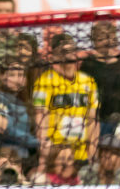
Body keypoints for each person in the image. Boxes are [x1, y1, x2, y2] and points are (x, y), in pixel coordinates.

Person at [33, 33, 99, 163]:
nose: (68, 56)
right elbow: (40, 117)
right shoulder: (43, 82)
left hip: (82, 153)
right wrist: (44, 149)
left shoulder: (88, 81)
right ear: (54, 56)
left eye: (71, 51)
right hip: (56, 152)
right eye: (63, 52)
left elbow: (93, 119)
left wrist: (92, 152)